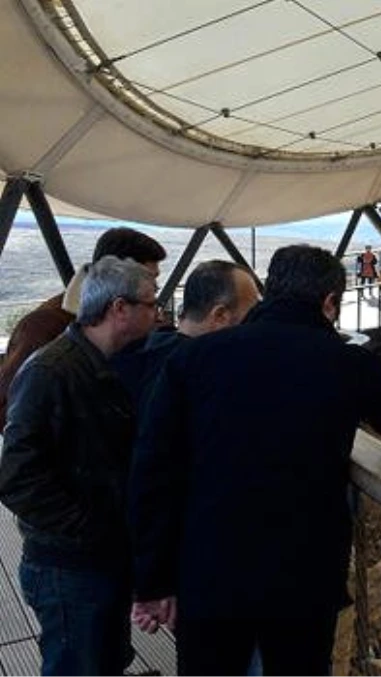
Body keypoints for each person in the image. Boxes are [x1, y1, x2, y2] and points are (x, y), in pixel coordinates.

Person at [128, 244, 381, 675]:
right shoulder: (347, 363)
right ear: (328, 302)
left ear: (271, 291)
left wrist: (152, 583)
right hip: (303, 579)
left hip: (208, 572)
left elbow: (152, 474)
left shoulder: (192, 358)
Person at [0, 257, 160, 676]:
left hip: (95, 559)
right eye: (151, 303)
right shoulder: (52, 371)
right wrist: (89, 528)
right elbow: (17, 478)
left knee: (104, 660)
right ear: (119, 309)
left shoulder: (100, 363)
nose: (158, 313)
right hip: (68, 566)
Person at [0, 227, 166, 430]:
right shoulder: (43, 327)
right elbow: (10, 411)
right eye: (149, 277)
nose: (154, 288)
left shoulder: (136, 328)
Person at [113, 260, 260, 407]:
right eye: (252, 315)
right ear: (219, 315)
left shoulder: (140, 357)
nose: (257, 325)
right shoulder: (204, 375)